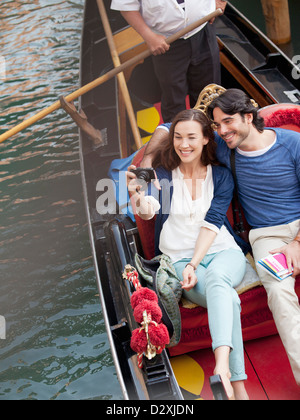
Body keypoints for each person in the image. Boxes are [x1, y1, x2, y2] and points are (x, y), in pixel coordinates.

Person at [127, 109, 249, 400]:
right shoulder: (164, 177)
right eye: (178, 138)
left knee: (219, 278)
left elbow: (214, 221)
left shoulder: (221, 176)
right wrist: (137, 197)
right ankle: (238, 387)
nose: (184, 144)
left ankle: (222, 368)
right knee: (227, 296)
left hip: (223, 252)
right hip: (178, 259)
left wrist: (196, 262)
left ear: (206, 139)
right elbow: (150, 210)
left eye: (192, 137)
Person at [207, 89, 300, 387]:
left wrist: (298, 243)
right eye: (217, 125)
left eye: (228, 121)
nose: (223, 131)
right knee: (278, 290)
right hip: (267, 237)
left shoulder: (292, 144)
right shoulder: (224, 148)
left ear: (249, 117)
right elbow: (177, 136)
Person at [111, 0, 226, 122]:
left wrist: (222, 1)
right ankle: (179, 136)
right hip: (166, 42)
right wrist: (149, 36)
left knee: (210, 94)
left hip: (203, 29)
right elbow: (126, 5)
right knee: (174, 99)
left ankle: (211, 132)